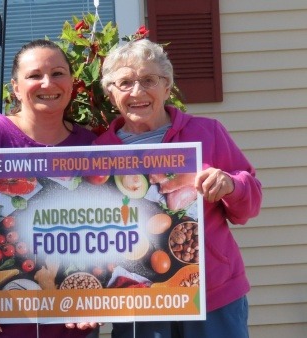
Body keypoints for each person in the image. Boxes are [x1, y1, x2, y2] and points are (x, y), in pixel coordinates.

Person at [86, 39, 262, 338]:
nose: (137, 92)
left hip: (212, 296)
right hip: (137, 301)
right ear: (110, 93)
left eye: (148, 80)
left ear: (167, 87)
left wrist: (232, 185)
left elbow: (250, 205)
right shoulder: (96, 152)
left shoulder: (207, 132)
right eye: (125, 83)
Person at [0, 39, 99, 338]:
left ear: (72, 83)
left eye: (57, 73)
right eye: (34, 75)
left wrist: (101, 301)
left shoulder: (90, 144)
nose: (47, 83)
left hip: (72, 322)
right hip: (1, 322)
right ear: (15, 87)